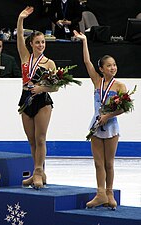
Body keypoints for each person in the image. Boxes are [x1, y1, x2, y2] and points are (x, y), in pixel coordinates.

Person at [73, 30, 127, 209]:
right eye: (109, 65)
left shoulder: (120, 86)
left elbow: (124, 108)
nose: (112, 67)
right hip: (96, 126)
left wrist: (108, 116)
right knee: (98, 163)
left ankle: (110, 193)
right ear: (102, 69)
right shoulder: (97, 81)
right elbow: (87, 62)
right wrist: (84, 41)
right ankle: (100, 193)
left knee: (109, 163)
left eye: (114, 65)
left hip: (111, 127)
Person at [17, 6, 57, 189]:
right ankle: (36, 171)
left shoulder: (50, 63)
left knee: (40, 138)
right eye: (38, 42)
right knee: (31, 140)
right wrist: (20, 20)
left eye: (43, 42)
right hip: (26, 99)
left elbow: (55, 87)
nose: (41, 45)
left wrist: (41, 88)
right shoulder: (25, 58)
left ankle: (39, 173)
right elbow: (18, 39)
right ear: (31, 44)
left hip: (42, 101)